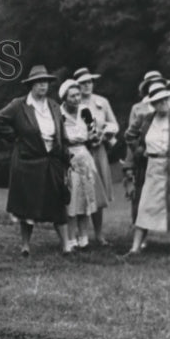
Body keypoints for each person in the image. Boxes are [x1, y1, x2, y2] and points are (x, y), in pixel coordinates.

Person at [0, 65, 72, 256]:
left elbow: (62, 135)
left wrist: (66, 157)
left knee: (58, 202)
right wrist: (16, 137)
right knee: (27, 205)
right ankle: (25, 245)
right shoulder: (19, 105)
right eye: (39, 82)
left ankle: (66, 244)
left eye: (46, 82)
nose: (43, 86)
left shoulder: (54, 106)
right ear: (31, 85)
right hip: (28, 161)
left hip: (52, 160)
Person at [122, 82, 170, 259]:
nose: (162, 103)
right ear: (152, 103)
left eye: (165, 99)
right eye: (157, 101)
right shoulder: (145, 119)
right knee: (145, 207)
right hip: (153, 168)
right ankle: (135, 249)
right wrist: (141, 152)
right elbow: (129, 136)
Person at [124, 70, 170, 222]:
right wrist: (133, 158)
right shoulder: (138, 108)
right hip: (145, 157)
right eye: (152, 84)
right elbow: (131, 136)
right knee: (142, 194)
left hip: (169, 155)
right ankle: (140, 231)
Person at [74, 67, 119, 246]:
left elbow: (114, 124)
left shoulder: (101, 102)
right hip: (80, 150)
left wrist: (105, 132)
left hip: (98, 150)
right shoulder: (73, 103)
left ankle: (99, 234)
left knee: (98, 192)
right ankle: (81, 234)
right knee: (81, 191)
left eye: (89, 82)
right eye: (83, 83)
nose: (87, 85)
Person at [58, 80, 106, 250]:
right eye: (72, 96)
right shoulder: (59, 113)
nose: (76, 98)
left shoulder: (86, 112)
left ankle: (84, 238)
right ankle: (70, 239)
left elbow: (93, 135)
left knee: (85, 197)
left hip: (84, 156)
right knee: (71, 200)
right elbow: (57, 138)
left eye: (78, 95)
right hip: (67, 158)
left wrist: (96, 137)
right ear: (65, 98)